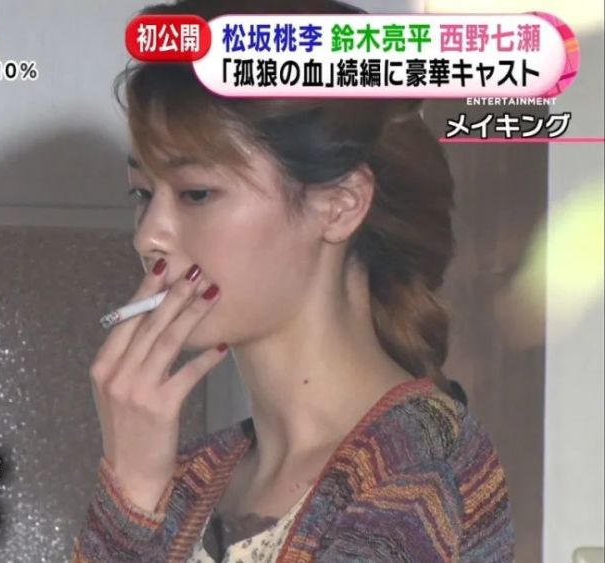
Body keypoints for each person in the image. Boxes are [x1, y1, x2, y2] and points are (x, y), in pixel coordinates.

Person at [70, 0, 515, 561]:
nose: (148, 237)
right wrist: (131, 494)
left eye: (196, 193)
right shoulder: (192, 476)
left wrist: (131, 508)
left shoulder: (420, 466)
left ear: (340, 205)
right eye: (143, 194)